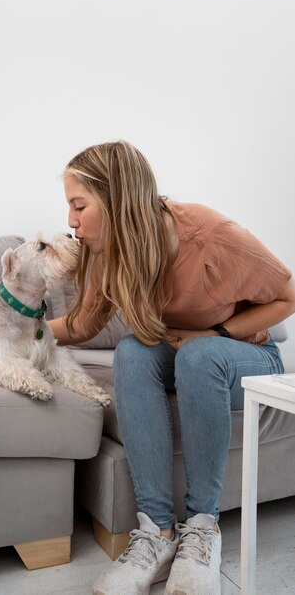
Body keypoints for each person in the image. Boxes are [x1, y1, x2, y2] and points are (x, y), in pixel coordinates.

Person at [48, 140, 295, 595]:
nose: (71, 221)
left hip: (246, 356)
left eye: (78, 205)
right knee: (132, 351)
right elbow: (84, 323)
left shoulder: (211, 235)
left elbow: (288, 295)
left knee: (200, 357)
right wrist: (24, 330)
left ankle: (202, 529)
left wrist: (215, 335)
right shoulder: (113, 250)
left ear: (116, 198)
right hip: (181, 354)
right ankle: (156, 533)